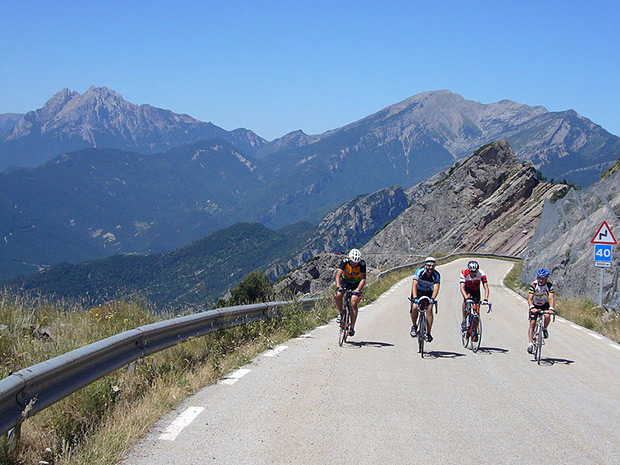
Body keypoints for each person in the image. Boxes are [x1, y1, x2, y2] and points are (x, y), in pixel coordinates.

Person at [334, 248, 366, 337]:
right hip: (345, 282)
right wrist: (338, 287)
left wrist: (358, 289)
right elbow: (338, 275)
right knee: (338, 295)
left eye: (356, 262)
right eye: (352, 262)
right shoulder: (344, 262)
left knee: (354, 302)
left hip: (356, 284)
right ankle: (341, 313)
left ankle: (352, 326)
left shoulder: (362, 264)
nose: (354, 263)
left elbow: (363, 278)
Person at [410, 257, 441, 342]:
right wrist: (415, 298)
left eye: (433, 266)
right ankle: (414, 326)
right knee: (415, 307)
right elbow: (414, 284)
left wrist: (432, 299)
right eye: (429, 265)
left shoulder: (436, 275)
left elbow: (436, 287)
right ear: (425, 265)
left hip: (428, 293)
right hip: (418, 292)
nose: (431, 268)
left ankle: (428, 333)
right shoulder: (420, 271)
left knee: (429, 310)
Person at [527, 268, 556, 354]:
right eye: (539, 278)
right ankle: (530, 343)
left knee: (547, 316)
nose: (540, 280)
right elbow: (529, 298)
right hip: (535, 304)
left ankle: (544, 328)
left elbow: (551, 297)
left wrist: (551, 308)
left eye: (542, 278)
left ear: (546, 279)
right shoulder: (533, 285)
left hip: (545, 304)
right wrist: (532, 307)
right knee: (532, 323)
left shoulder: (549, 286)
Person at [459, 260, 490, 331]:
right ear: (469, 270)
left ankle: (474, 330)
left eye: (475, 272)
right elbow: (462, 287)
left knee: (477, 310)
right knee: (466, 300)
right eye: (471, 272)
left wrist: (486, 299)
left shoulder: (481, 274)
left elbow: (486, 287)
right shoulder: (464, 273)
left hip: (476, 290)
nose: (473, 273)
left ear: (477, 270)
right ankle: (464, 319)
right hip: (467, 290)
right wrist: (466, 298)